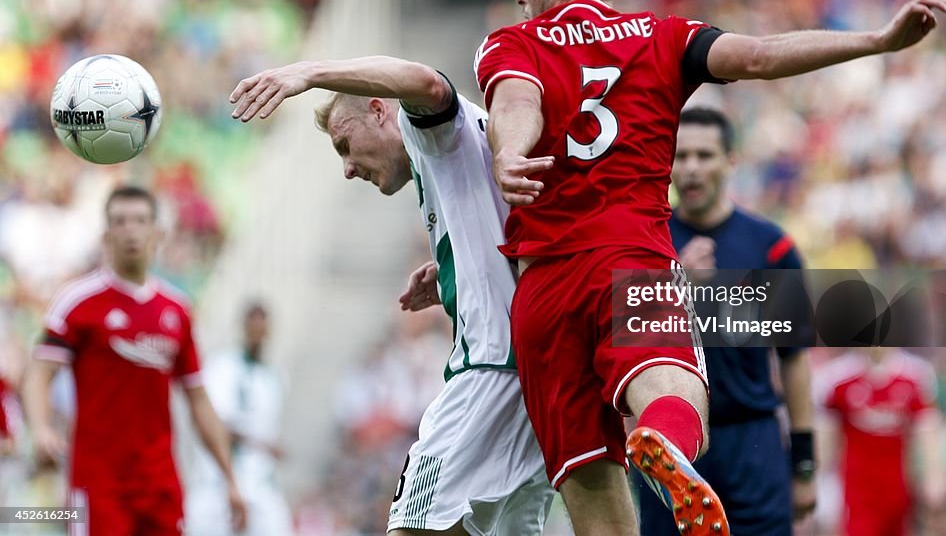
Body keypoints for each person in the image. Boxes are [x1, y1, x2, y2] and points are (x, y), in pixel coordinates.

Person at [474, 0, 946, 536]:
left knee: (590, 484)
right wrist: (876, 41)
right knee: (674, 392)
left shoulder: (514, 43)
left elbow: (517, 101)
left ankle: (651, 456)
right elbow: (759, 55)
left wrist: (511, 154)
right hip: (631, 259)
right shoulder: (663, 35)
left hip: (541, 288)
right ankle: (664, 441)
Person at [229, 56, 554, 535]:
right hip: (538, 376)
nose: (346, 167)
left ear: (381, 112)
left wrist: (308, 75)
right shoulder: (465, 149)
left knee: (411, 523)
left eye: (344, 143)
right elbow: (505, 228)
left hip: (488, 369)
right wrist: (451, 272)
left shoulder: (429, 129)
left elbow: (425, 81)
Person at [22, 186, 246, 536]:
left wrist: (230, 478)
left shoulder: (177, 311)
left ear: (158, 233)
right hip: (99, 482)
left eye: (140, 221)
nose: (131, 230)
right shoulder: (77, 302)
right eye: (120, 221)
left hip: (159, 482)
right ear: (106, 234)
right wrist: (40, 428)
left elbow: (198, 399)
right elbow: (39, 375)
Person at [632, 108, 815, 536]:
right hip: (674, 447)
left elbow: (793, 359)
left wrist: (804, 462)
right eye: (681, 156)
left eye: (705, 155)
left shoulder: (771, 248)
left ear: (730, 161)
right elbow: (628, 344)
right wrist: (677, 285)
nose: (692, 169)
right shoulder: (645, 244)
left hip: (754, 444)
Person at [817, 348, 946, 536]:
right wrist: (816, 481)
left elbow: (928, 431)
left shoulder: (917, 374)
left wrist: (935, 475)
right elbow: (826, 437)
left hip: (899, 488)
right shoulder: (836, 377)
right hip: (857, 492)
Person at [187, 302, 293, 536]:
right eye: (252, 325)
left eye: (262, 326)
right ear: (243, 326)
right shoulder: (223, 367)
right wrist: (260, 444)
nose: (257, 332)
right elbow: (213, 423)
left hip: (261, 484)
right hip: (218, 485)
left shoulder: (275, 376)